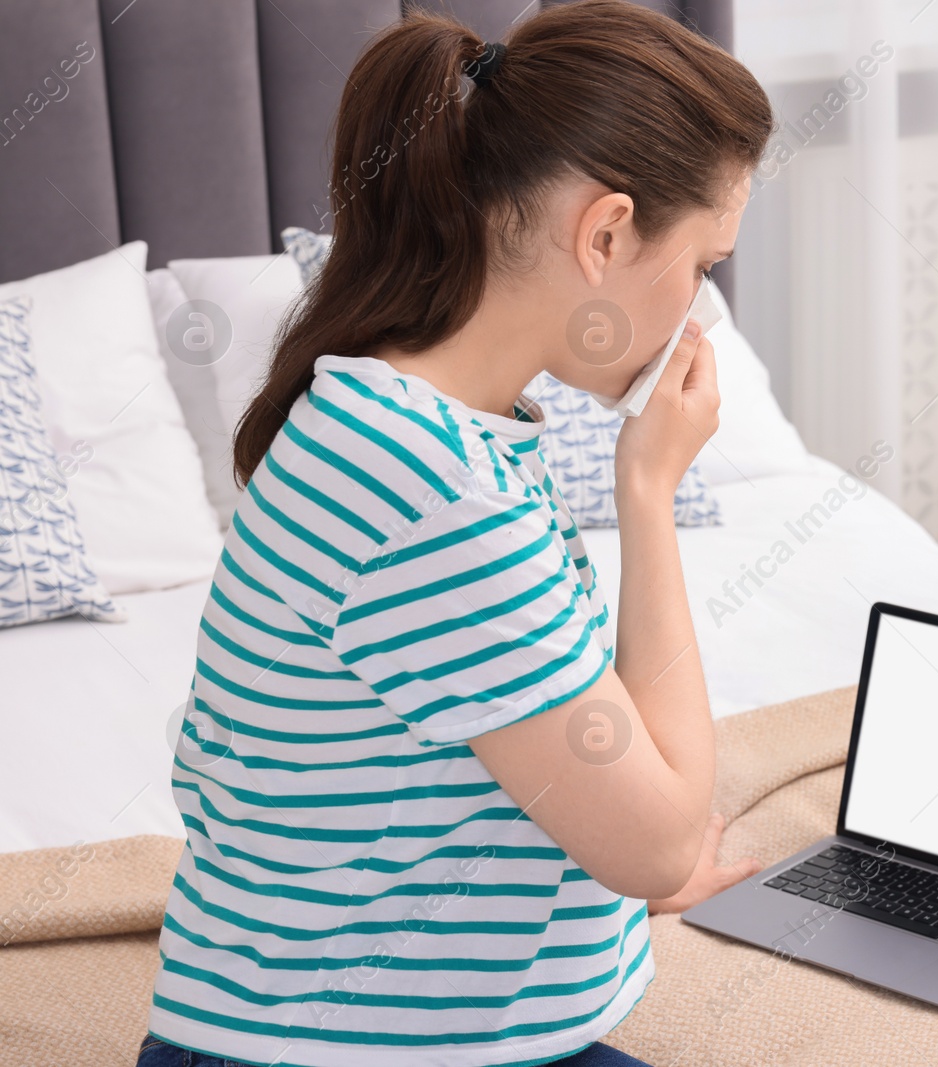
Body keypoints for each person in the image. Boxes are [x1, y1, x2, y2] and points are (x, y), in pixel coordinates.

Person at [138, 3, 774, 1064]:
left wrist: (620, 870)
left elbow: (567, 765)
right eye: (704, 262)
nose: (700, 313)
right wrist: (649, 492)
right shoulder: (436, 497)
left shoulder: (400, 418)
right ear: (606, 233)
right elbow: (659, 845)